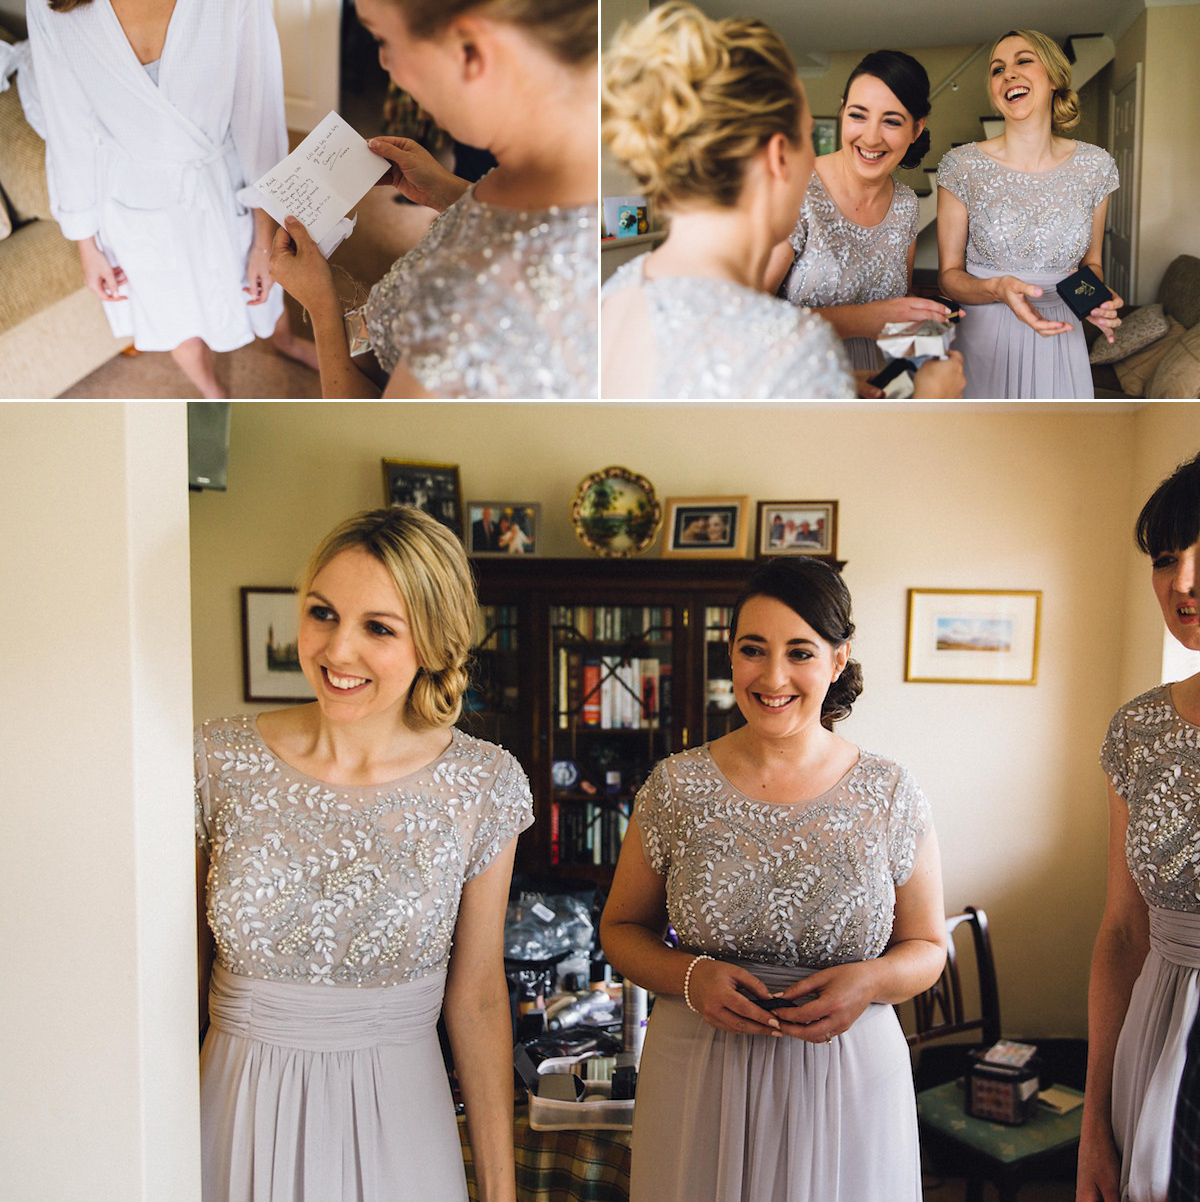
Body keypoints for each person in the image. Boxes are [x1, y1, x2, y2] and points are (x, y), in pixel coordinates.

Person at [195, 505, 533, 1202]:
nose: (336, 650)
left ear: (434, 644)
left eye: (378, 627)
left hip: (399, 1121)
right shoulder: (213, 761)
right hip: (233, 1110)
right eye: (322, 613)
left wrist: (499, 1191)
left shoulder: (483, 784)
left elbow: (474, 1000)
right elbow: (172, 983)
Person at [600, 557, 947, 1202]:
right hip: (697, 1065)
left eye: (800, 652)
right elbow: (620, 929)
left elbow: (928, 947)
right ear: (730, 655)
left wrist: (870, 979)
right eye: (752, 649)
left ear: (838, 661)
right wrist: (688, 975)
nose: (773, 677)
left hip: (848, 1074)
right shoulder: (675, 787)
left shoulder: (891, 792)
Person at [600, 2, 962, 400]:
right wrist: (929, 398)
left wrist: (841, 389)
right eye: (808, 136)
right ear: (778, 156)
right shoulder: (794, 348)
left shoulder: (618, 293)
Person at [269, 0, 598, 399]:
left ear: (469, 51)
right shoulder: (552, 167)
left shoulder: (476, 309)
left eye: (383, 40)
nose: (386, 64)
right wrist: (452, 194)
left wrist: (321, 305)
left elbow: (378, 428)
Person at [26, 0, 318, 399]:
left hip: (222, 179)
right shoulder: (48, 6)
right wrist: (86, 244)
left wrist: (263, 239)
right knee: (171, 313)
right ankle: (212, 391)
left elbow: (258, 110)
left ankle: (286, 342)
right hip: (130, 196)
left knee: (260, 293)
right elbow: (68, 130)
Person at [1078, 453, 1200, 1202]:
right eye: (1165, 559)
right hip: (1155, 1038)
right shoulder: (1139, 730)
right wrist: (1095, 1125)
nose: (1182, 583)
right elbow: (1123, 931)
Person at [936, 29, 1123, 398]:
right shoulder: (961, 167)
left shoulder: (1095, 167)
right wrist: (995, 288)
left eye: (1023, 61)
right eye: (996, 69)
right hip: (984, 339)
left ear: (1053, 77)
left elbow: (1092, 266)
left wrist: (1093, 299)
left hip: (1060, 335)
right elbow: (948, 278)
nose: (1008, 74)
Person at [763, 50, 958, 372]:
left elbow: (893, 320)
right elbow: (747, 319)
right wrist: (861, 320)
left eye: (892, 121)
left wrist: (927, 323)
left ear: (916, 129)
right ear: (842, 111)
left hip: (881, 382)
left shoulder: (907, 204)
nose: (870, 137)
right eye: (858, 115)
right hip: (798, 379)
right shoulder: (794, 190)